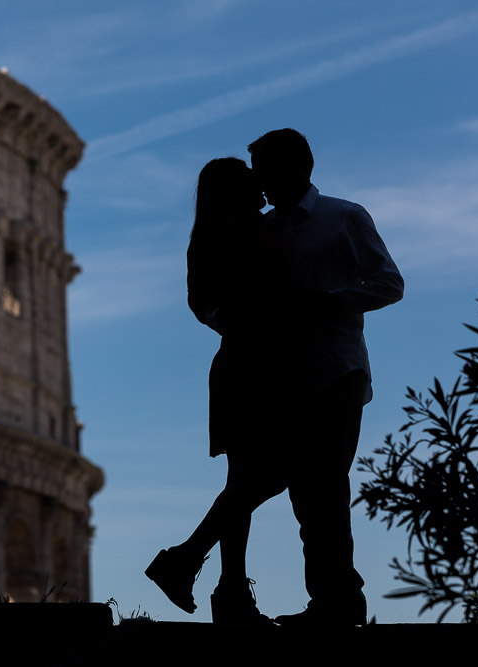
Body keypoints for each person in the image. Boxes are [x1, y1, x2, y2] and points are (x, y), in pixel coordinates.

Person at [147, 131, 404, 627]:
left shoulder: (342, 216)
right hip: (272, 371)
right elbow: (214, 298)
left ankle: (305, 595)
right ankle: (320, 600)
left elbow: (389, 283)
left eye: (262, 169)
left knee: (311, 482)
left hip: (334, 367)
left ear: (297, 166)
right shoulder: (258, 226)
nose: (258, 180)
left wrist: (331, 301)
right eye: (251, 173)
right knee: (302, 488)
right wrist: (236, 320)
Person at [146, 156, 289, 625]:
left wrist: (224, 317)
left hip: (237, 363)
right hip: (260, 365)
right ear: (238, 190)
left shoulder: (205, 238)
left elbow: (199, 302)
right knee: (266, 476)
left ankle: (225, 589)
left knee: (243, 480)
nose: (263, 188)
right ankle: (190, 562)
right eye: (253, 182)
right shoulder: (256, 230)